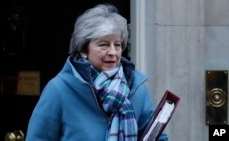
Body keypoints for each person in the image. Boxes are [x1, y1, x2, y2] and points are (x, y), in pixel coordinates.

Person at [25, 3, 168, 141]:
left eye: (117, 45)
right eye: (104, 45)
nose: (113, 52)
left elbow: (157, 136)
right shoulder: (59, 90)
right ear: (83, 49)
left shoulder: (137, 89)